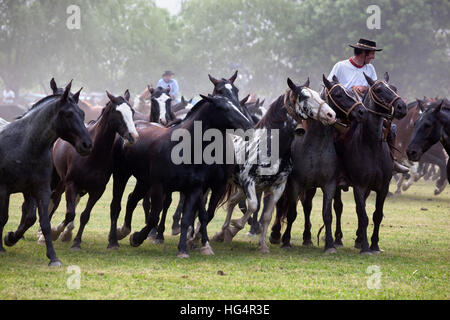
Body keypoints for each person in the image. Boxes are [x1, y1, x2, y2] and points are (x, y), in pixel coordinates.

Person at [328, 38, 409, 174]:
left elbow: (375, 88)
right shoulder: (340, 66)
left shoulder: (370, 68)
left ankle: (391, 160)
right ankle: (338, 169)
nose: (373, 57)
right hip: (346, 110)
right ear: (363, 53)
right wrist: (349, 89)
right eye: (371, 53)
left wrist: (364, 88)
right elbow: (330, 87)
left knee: (391, 128)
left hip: (367, 110)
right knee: (335, 134)